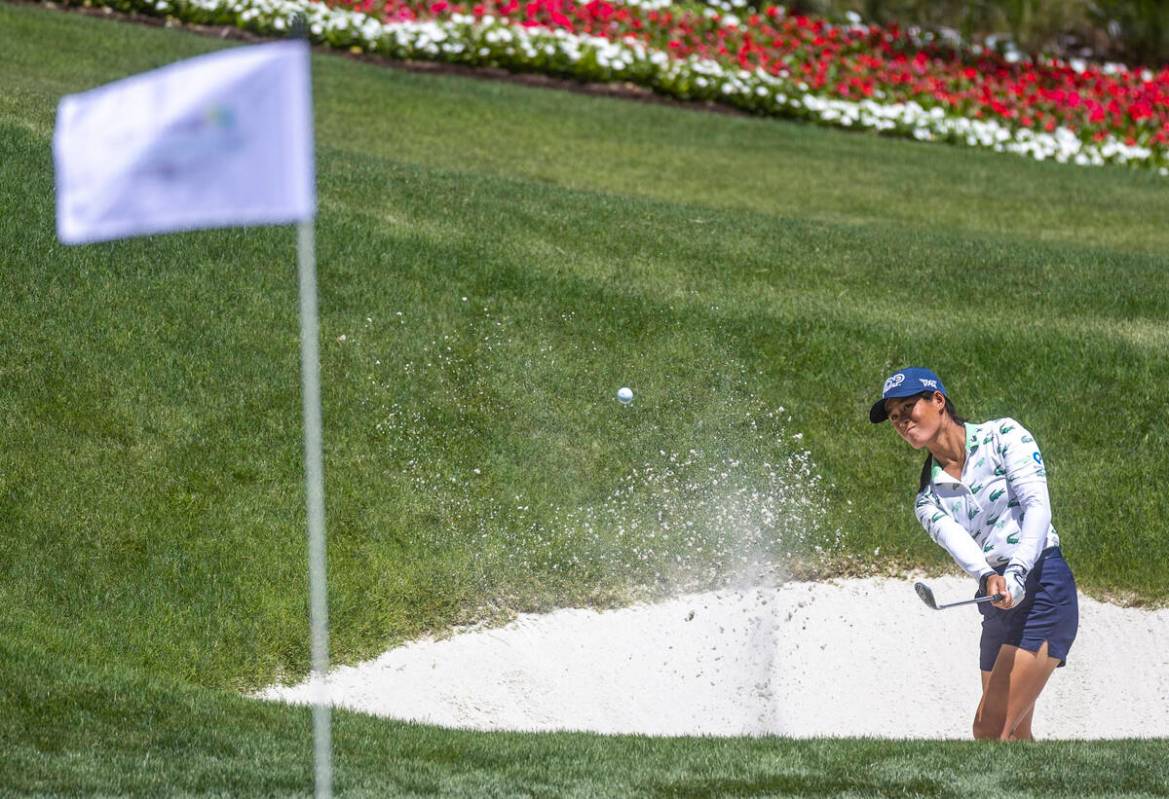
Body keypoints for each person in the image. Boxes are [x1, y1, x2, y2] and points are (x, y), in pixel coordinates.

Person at [869, 367, 1078, 741]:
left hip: (1043, 586)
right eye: (894, 417)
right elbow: (959, 544)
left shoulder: (1003, 436)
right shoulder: (928, 497)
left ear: (938, 400)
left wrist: (1016, 571)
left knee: (989, 729)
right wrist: (987, 576)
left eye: (908, 408)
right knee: (1012, 738)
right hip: (995, 600)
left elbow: (1037, 507)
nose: (902, 421)